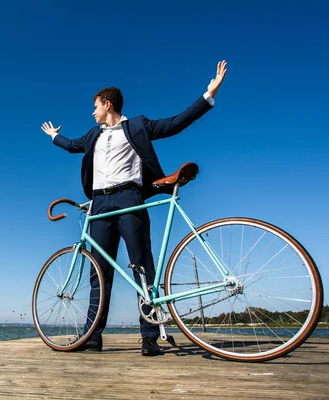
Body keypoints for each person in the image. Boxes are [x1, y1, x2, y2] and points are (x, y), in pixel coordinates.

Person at [41, 60, 228, 356]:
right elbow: (73, 145)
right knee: (98, 271)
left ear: (107, 104)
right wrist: (54, 137)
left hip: (130, 198)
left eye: (95, 107)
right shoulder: (93, 135)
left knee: (143, 266)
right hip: (99, 203)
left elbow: (175, 123)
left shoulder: (138, 125)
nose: (92, 112)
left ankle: (149, 335)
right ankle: (92, 335)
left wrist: (208, 95)